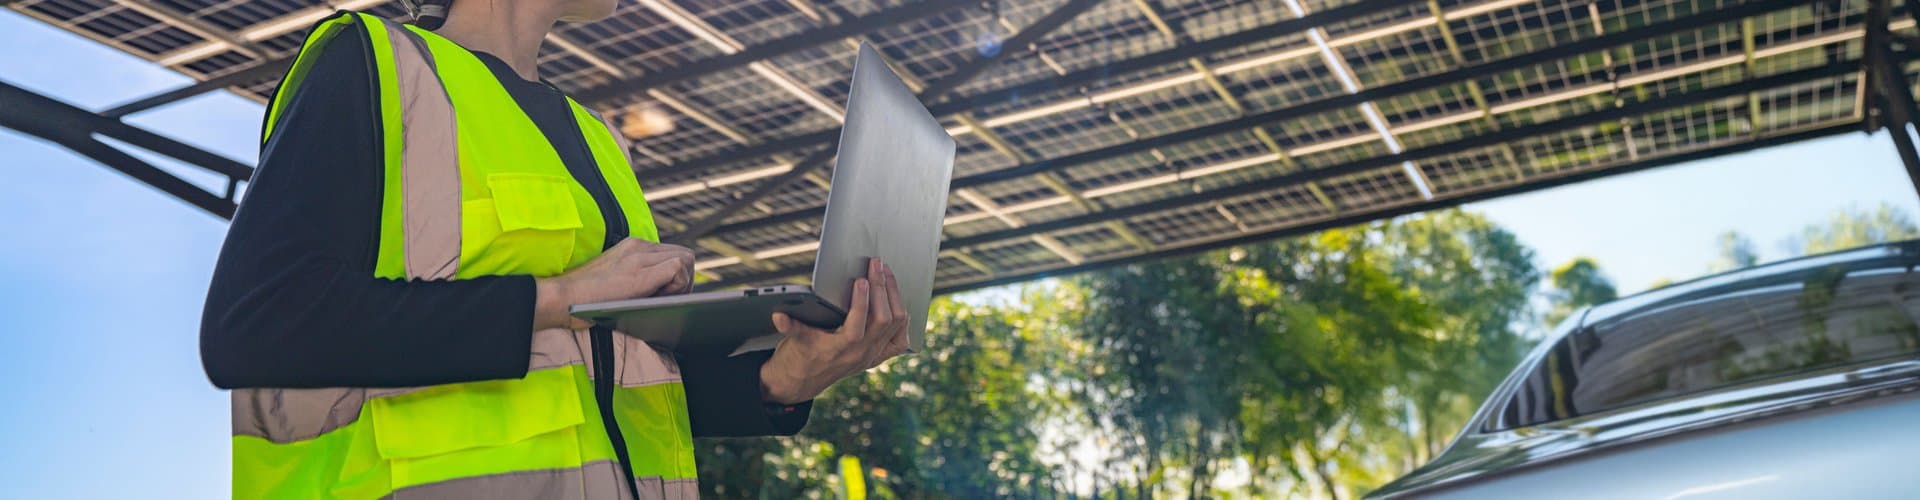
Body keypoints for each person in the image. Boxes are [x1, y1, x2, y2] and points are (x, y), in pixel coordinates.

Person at [196, 0, 912, 496]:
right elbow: (257, 326)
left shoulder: (597, 138)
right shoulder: (372, 64)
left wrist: (784, 379)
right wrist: (561, 297)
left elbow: (609, 379)